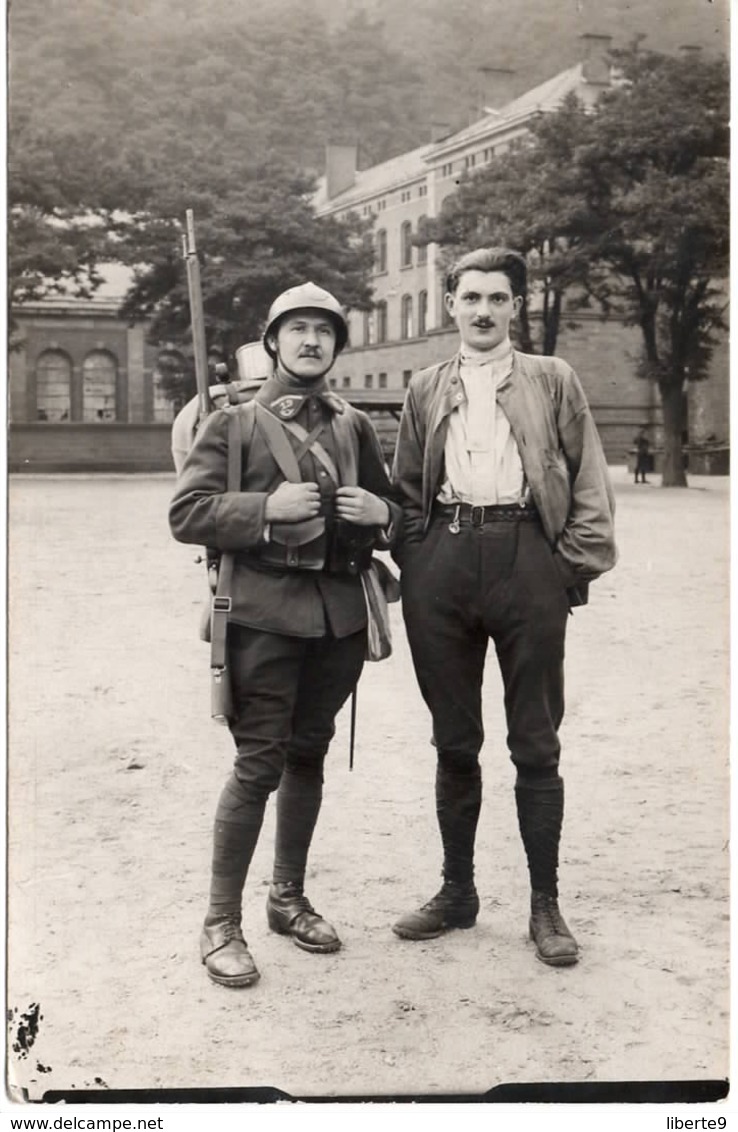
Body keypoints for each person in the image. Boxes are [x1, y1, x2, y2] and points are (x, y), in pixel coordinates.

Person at [169, 282, 401, 988]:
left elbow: (394, 508)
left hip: (338, 617)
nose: (310, 341)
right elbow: (188, 513)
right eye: (296, 329)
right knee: (258, 765)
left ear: (337, 345)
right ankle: (220, 923)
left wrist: (379, 510)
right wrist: (264, 509)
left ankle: (287, 898)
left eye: (323, 332)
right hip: (263, 614)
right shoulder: (232, 424)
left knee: (309, 756)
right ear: (272, 342)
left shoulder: (354, 425)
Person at [391, 247, 617, 967]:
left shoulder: (553, 379)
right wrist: (418, 557)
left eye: (497, 298)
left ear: (515, 306)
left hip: (526, 559)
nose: (483, 310)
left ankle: (545, 906)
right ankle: (458, 891)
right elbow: (403, 489)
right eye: (470, 298)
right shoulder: (425, 385)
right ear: (449, 305)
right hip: (445, 563)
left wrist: (562, 569)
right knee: (455, 740)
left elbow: (588, 480)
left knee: (535, 740)